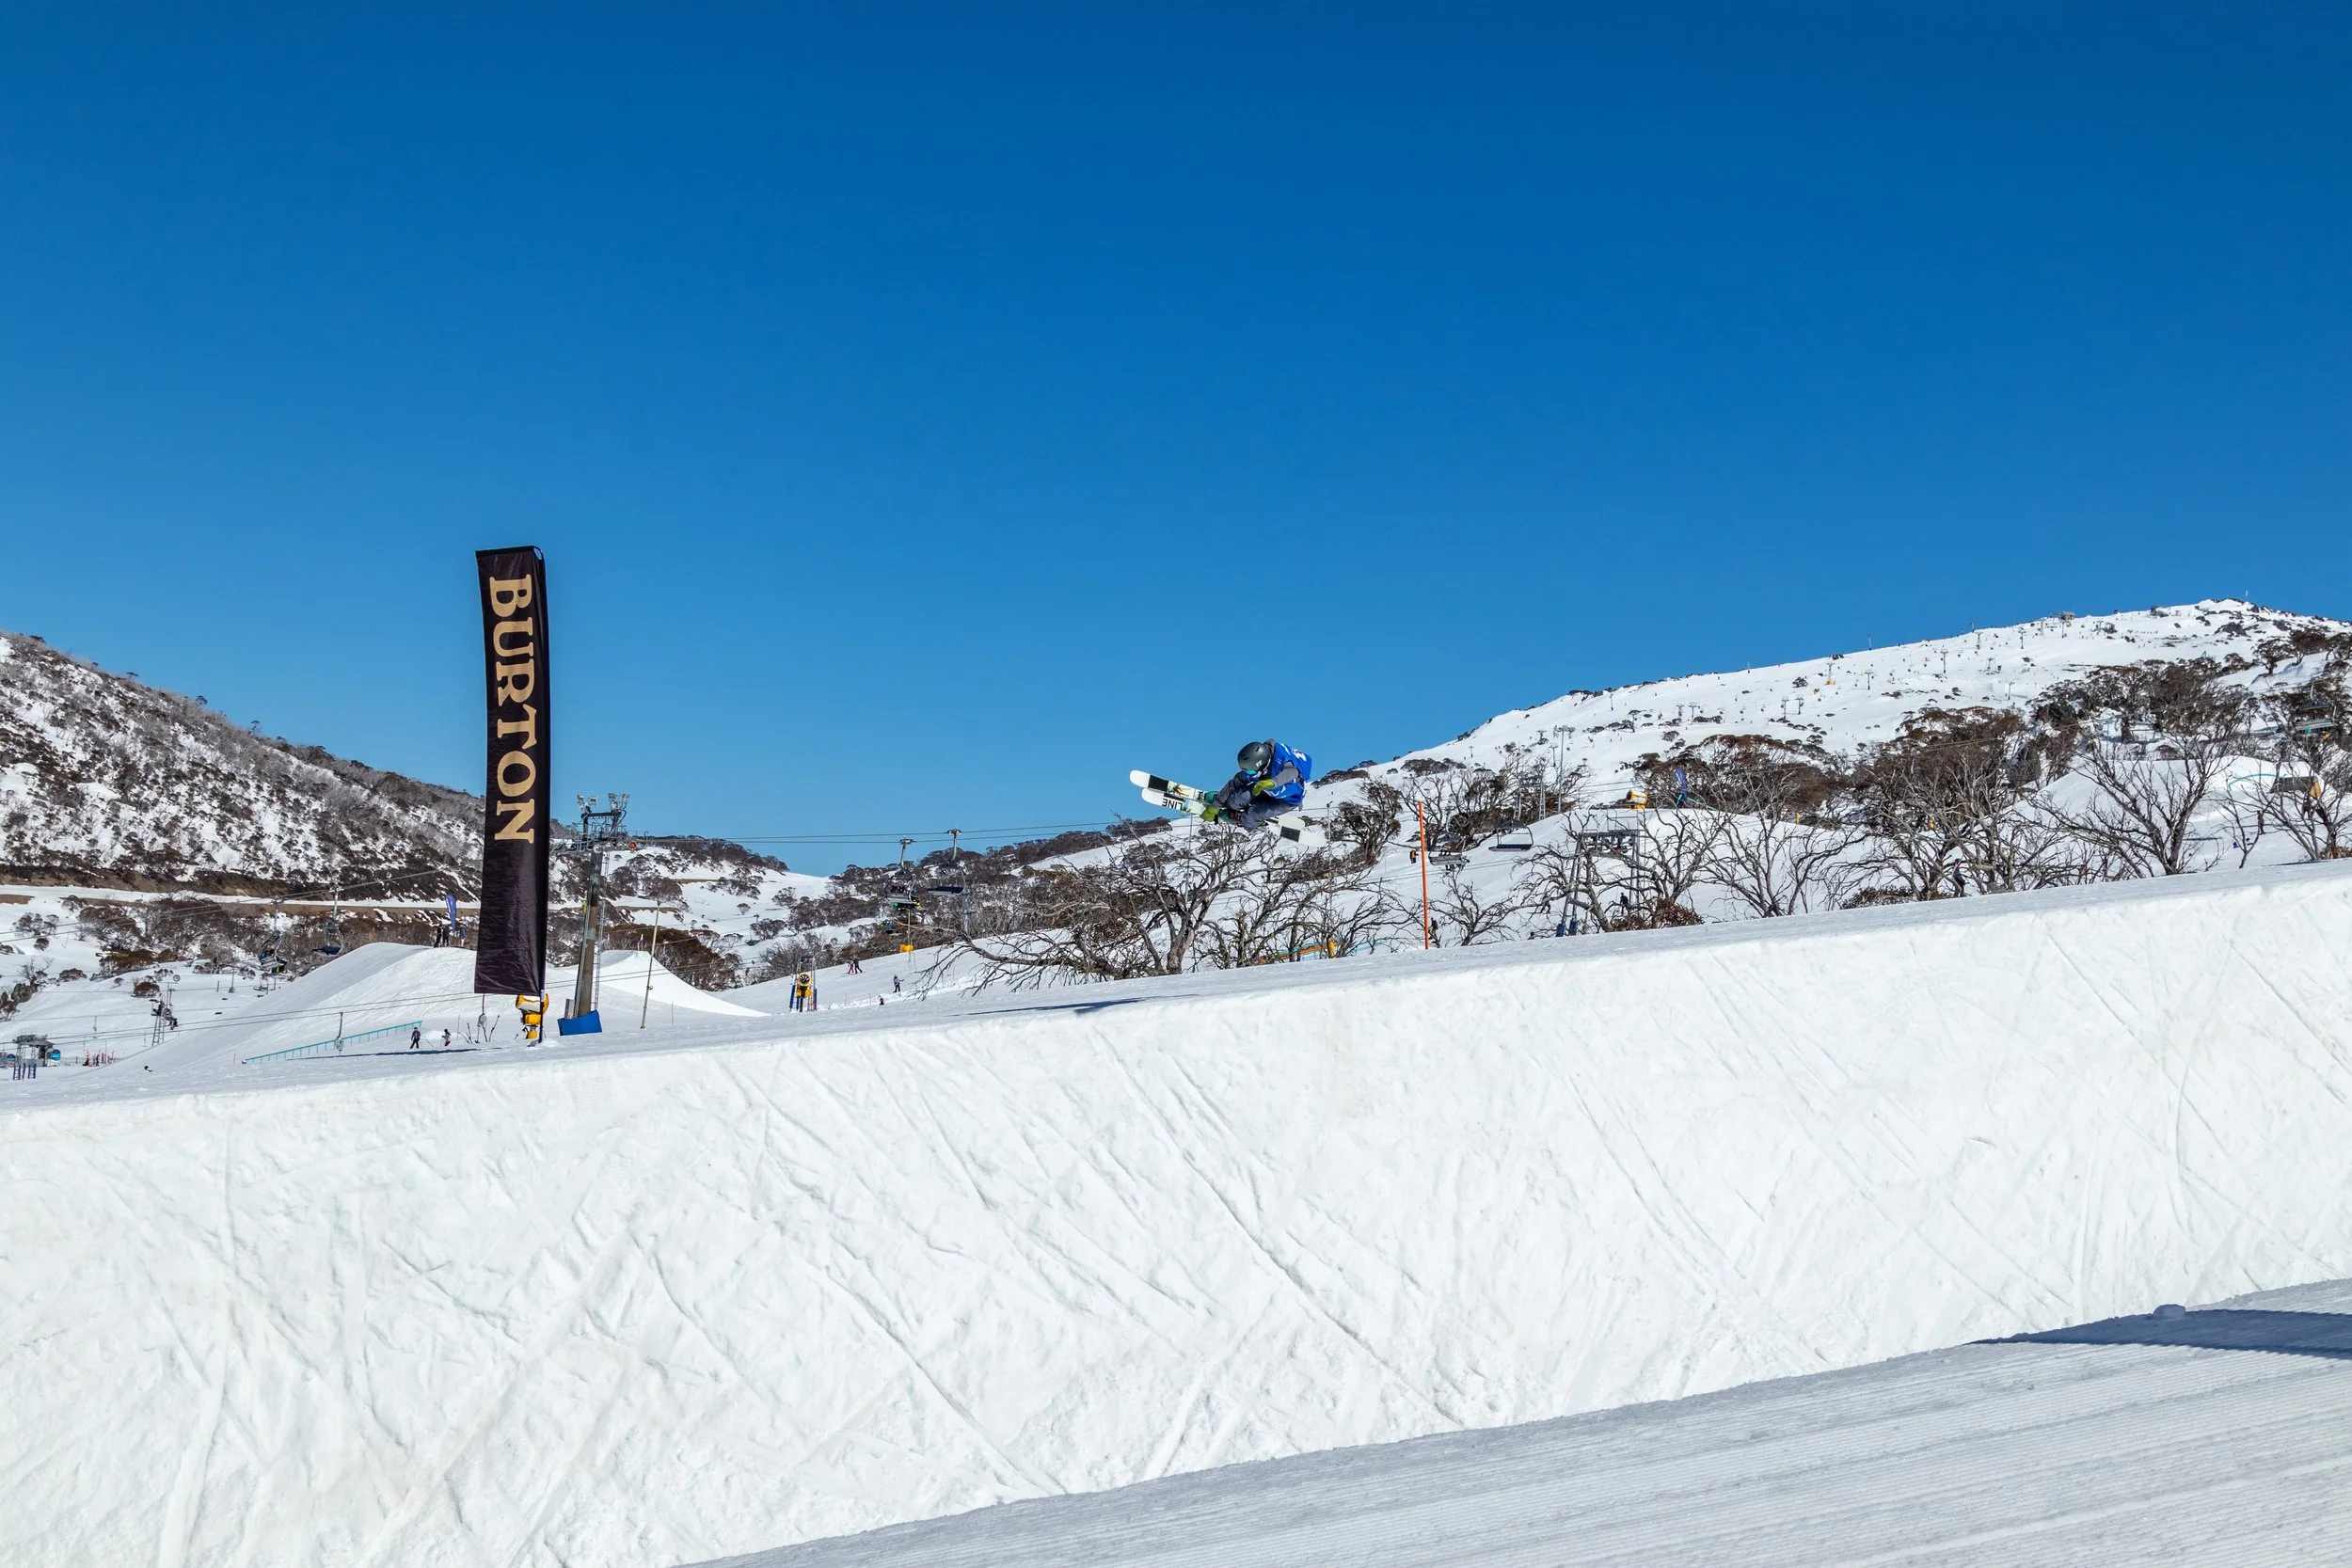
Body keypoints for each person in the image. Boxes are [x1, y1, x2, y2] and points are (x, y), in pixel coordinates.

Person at [1202, 738, 1312, 833]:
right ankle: (1229, 803)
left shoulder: (1283, 769)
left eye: (1250, 772)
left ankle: (1243, 819)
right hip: (1264, 788)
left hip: (1286, 800)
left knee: (1252, 816)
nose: (1248, 774)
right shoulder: (1257, 769)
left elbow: (1293, 772)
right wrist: (1216, 805)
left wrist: (1273, 783)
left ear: (1260, 764)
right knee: (1237, 799)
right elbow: (1234, 783)